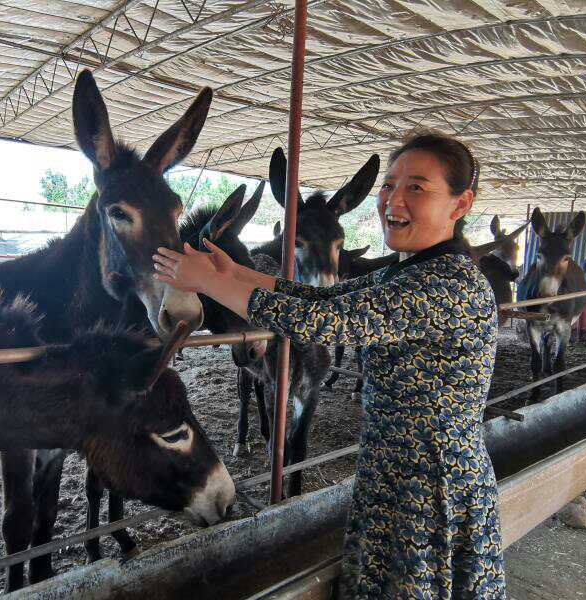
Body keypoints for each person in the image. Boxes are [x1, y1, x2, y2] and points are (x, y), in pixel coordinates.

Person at [153, 131, 506, 599]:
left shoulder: (449, 285)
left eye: (416, 187)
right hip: (393, 468)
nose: (393, 200)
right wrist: (230, 272)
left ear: (460, 205)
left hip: (431, 483)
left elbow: (323, 322)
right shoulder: (409, 272)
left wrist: (210, 286)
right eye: (389, 185)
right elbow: (319, 297)